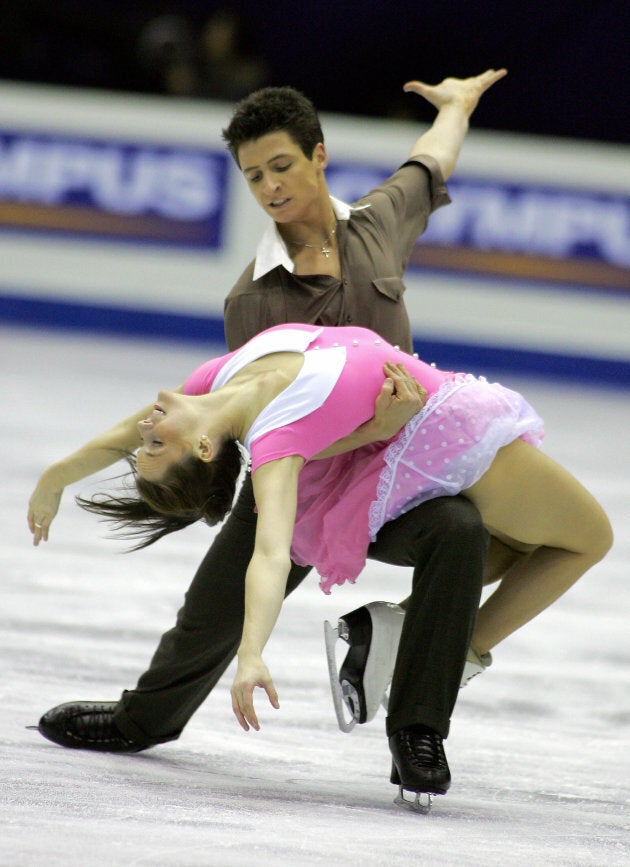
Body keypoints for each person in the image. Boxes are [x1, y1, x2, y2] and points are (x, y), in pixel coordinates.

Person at [30, 70, 507, 805]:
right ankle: (143, 717)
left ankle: (418, 730)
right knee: (217, 604)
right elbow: (259, 421)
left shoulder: (378, 224)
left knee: (460, 532)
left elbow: (430, 161)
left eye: (281, 166)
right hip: (303, 474)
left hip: (395, 474)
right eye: (254, 176)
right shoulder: (254, 298)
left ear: (318, 156)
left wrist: (458, 107)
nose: (270, 187)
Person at [30, 323, 612, 808]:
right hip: (444, 439)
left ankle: (406, 679)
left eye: (147, 443)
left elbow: (121, 432)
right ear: (205, 450)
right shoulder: (273, 444)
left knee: (483, 544)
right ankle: (148, 718)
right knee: (587, 539)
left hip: (397, 441)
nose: (146, 430)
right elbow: (269, 556)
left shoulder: (211, 382)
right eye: (156, 446)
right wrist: (253, 654)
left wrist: (56, 477)